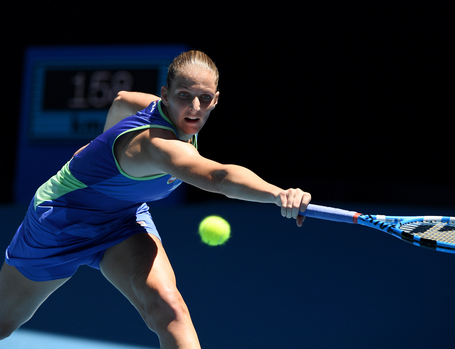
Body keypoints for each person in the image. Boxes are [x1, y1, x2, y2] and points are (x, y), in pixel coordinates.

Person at [0, 50, 311, 349]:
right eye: (184, 96)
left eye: (204, 98)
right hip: (60, 222)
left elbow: (121, 101)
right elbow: (219, 178)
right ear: (166, 94)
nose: (194, 107)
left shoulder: (164, 113)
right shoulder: (157, 146)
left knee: (169, 310)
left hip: (123, 220)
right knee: (3, 324)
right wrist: (278, 194)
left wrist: (99, 151)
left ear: (216, 100)